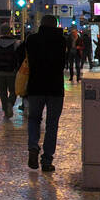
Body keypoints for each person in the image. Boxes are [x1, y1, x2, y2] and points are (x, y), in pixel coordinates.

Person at [21, 15, 68, 172]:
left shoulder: (31, 40)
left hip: (36, 86)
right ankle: (47, 160)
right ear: (55, 25)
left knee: (34, 119)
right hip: (55, 88)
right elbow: (63, 63)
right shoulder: (61, 41)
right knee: (52, 124)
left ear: (41, 24)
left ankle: (33, 147)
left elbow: (20, 57)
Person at [0, 25, 22, 119]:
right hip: (13, 73)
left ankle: (5, 110)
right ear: (9, 31)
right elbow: (19, 58)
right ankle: (10, 104)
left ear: (1, 31)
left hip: (0, 73)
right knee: (13, 91)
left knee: (2, 92)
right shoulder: (16, 43)